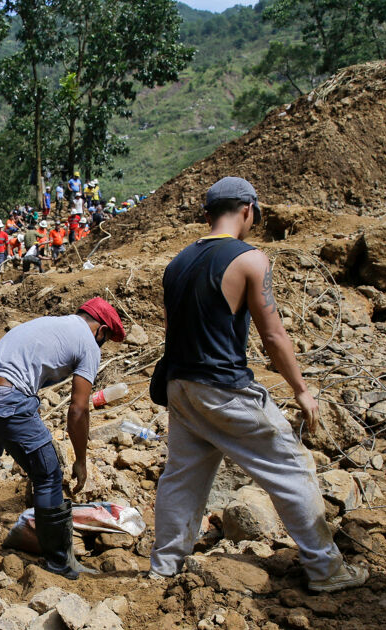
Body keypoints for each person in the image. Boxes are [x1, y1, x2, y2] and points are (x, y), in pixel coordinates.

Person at [149, 176, 367, 593]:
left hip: (179, 385)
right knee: (291, 466)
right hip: (223, 387)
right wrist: (302, 390)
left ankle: (164, 566)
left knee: (182, 476)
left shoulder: (177, 262)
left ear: (210, 213)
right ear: (248, 210)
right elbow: (273, 337)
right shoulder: (250, 259)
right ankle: (327, 570)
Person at [0, 297, 125, 578]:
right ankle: (61, 563)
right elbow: (78, 408)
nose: (102, 345)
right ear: (101, 330)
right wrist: (81, 460)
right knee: (48, 474)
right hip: (5, 396)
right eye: (106, 339)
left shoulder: (53, 324)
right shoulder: (88, 343)